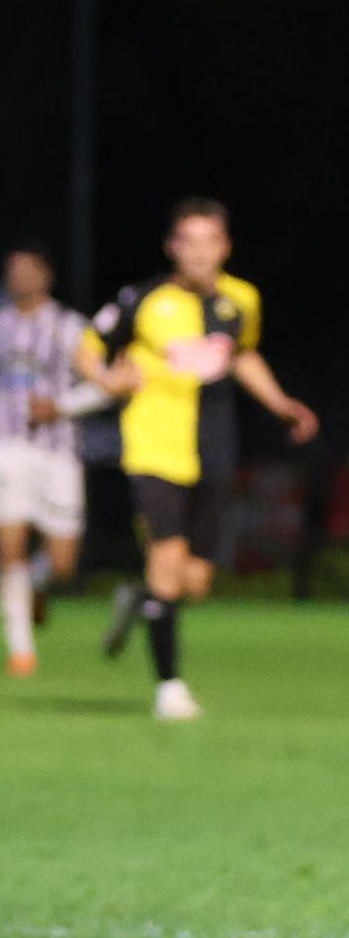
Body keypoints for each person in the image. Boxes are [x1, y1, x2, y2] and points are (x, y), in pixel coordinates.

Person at [80, 199, 318, 720]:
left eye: (211, 241)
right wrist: (107, 379)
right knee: (167, 566)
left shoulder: (241, 301)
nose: (200, 252)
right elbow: (88, 347)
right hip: (153, 448)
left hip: (214, 449)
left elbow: (244, 355)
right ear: (173, 247)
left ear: (225, 247)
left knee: (195, 583)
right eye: (189, 241)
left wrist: (280, 405)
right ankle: (170, 688)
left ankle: (135, 600)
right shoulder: (142, 299)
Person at [0, 242, 102, 674]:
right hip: (6, 446)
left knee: (63, 563)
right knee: (10, 550)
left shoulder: (70, 327)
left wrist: (60, 407)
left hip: (59, 449)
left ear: (47, 276)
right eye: (13, 270)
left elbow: (101, 385)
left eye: (28, 270)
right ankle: (21, 650)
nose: (19, 278)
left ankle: (38, 586)